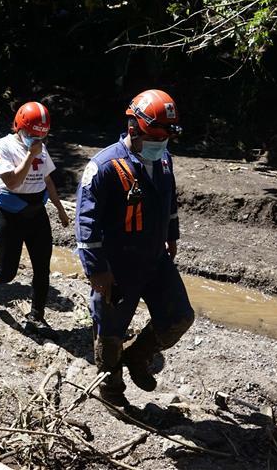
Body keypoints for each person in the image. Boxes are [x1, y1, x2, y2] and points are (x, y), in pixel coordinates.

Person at [74, 89, 194, 409]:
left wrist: (172, 235)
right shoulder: (104, 167)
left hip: (155, 258)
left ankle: (139, 354)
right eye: (156, 136)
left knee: (179, 317)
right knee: (110, 333)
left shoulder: (164, 159)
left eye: (166, 136)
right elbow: (85, 224)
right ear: (133, 128)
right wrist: (96, 270)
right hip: (118, 266)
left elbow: (169, 203)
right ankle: (111, 389)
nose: (161, 143)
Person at [0, 102, 70, 334]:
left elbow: (47, 180)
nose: (35, 139)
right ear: (18, 126)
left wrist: (59, 208)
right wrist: (30, 154)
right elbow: (12, 182)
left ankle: (36, 316)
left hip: (37, 214)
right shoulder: (4, 146)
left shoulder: (40, 148)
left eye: (40, 135)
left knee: (42, 268)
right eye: (30, 134)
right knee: (7, 273)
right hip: (11, 217)